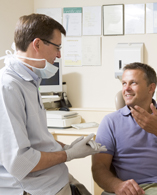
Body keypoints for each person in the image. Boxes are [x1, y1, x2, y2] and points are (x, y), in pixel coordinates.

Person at [0, 13, 106, 195]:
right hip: (36, 189)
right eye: (57, 47)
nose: (59, 55)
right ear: (37, 44)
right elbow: (20, 162)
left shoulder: (29, 81)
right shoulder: (8, 87)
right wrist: (69, 155)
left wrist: (66, 146)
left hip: (55, 178)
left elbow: (35, 140)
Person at [92, 62, 157, 195]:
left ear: (151, 88)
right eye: (124, 83)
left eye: (133, 83)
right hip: (141, 189)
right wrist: (117, 186)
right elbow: (99, 168)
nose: (126, 89)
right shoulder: (110, 122)